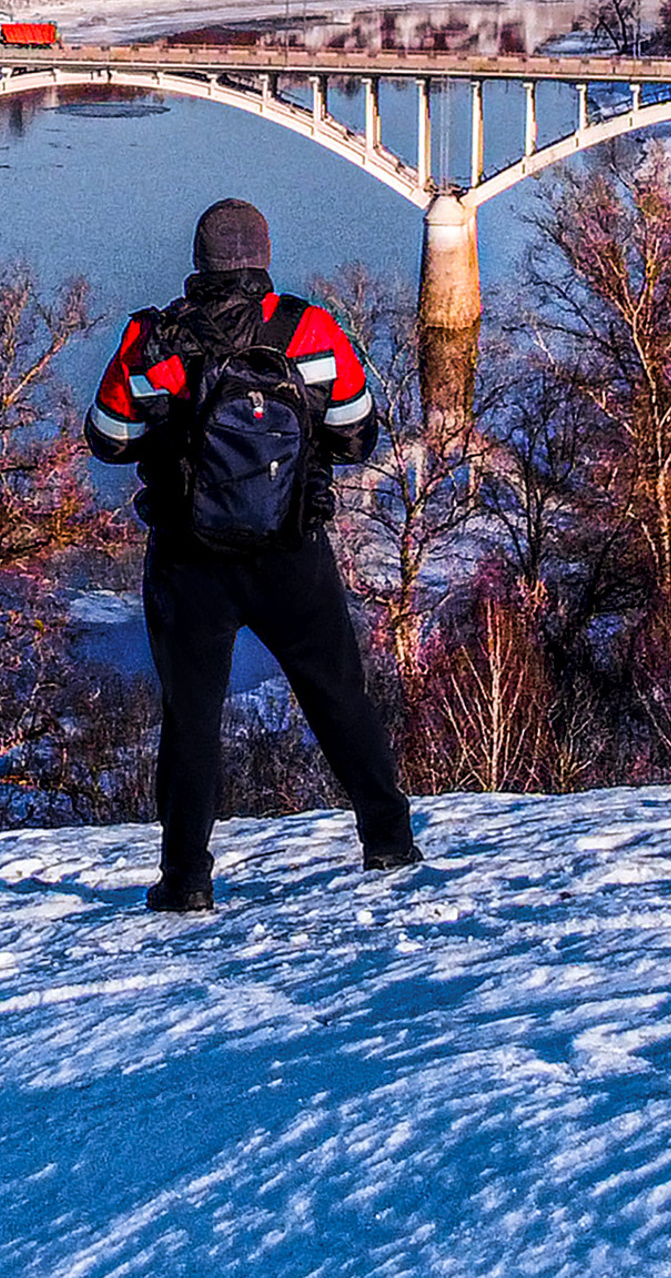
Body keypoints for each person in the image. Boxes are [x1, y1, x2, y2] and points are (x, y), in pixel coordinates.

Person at [88, 197, 419, 909]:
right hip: (290, 548)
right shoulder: (308, 329)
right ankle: (389, 840)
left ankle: (186, 880)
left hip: (189, 559)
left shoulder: (154, 339)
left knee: (191, 717)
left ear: (199, 261)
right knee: (338, 693)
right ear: (264, 259)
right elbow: (357, 434)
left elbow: (108, 439)